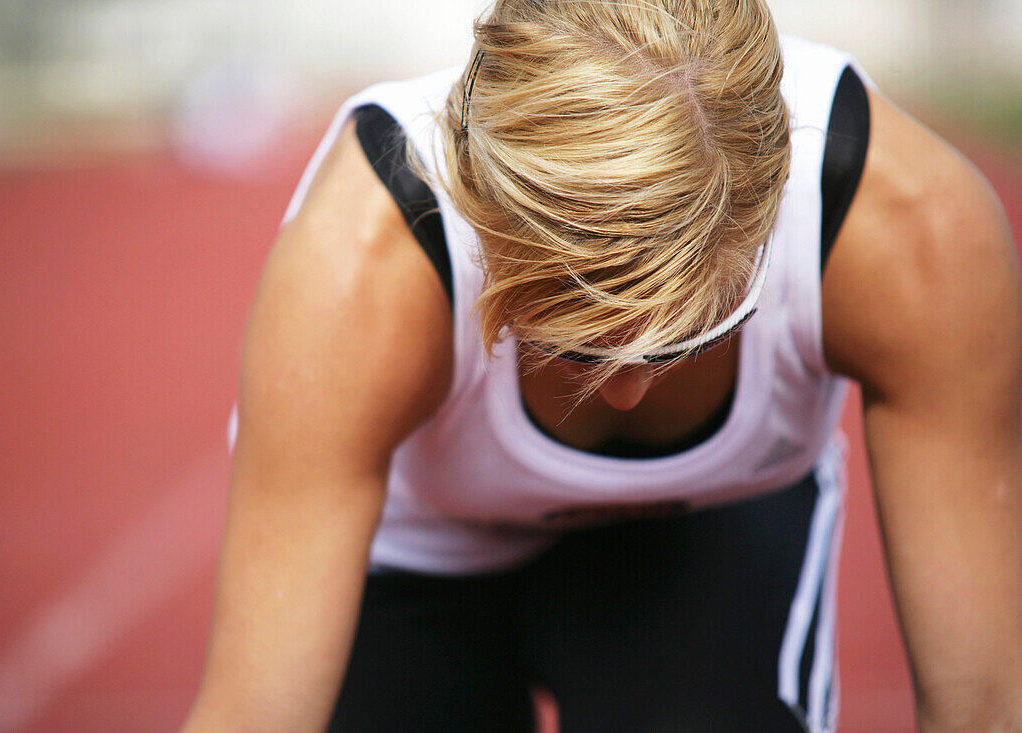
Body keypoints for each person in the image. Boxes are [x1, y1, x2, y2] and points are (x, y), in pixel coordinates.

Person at [184, 0, 1022, 730]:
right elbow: (253, 713)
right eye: (562, 337)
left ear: (774, 211)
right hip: (412, 558)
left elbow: (986, 706)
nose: (623, 388)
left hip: (706, 535)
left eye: (694, 333)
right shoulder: (363, 262)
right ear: (482, 217)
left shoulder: (912, 235)